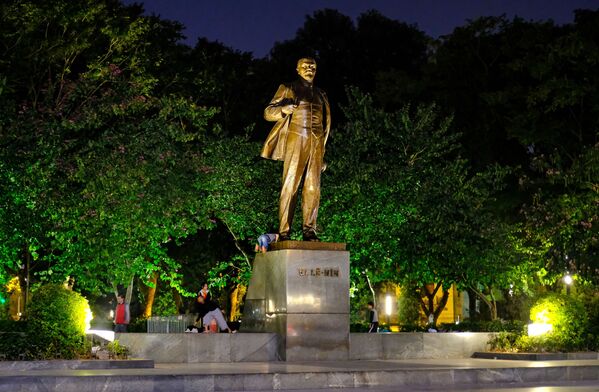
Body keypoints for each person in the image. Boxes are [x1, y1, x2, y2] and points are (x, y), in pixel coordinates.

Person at [262, 57, 331, 242]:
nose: (310, 69)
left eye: (313, 66)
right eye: (305, 66)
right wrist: (283, 108)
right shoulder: (288, 88)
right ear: (298, 69)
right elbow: (268, 113)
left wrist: (322, 153)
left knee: (313, 187)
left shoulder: (320, 94)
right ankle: (284, 232)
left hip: (316, 143)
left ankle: (309, 230)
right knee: (290, 185)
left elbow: (325, 125)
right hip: (296, 138)